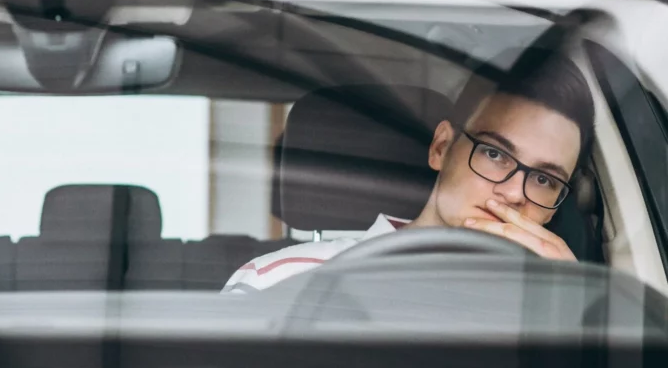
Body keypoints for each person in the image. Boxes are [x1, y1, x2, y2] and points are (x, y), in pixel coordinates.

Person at [222, 49, 596, 294]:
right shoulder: (279, 282)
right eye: (495, 154)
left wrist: (571, 307)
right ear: (441, 148)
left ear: (554, 208)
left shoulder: (558, 312)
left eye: (544, 180)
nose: (515, 193)